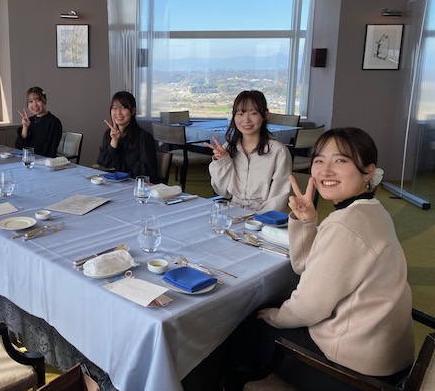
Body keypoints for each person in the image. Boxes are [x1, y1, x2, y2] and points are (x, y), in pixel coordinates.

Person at [198, 127, 414, 391]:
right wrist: (307, 222)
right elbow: (305, 267)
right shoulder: (371, 211)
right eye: (319, 160)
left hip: (355, 371)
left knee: (236, 328)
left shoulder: (345, 225)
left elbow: (309, 308)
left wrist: (274, 316)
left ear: (368, 171)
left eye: (341, 160)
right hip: (383, 355)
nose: (325, 171)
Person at [205, 90, 291, 212]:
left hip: (262, 216)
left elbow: (278, 199)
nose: (246, 120)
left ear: (265, 114)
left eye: (253, 113)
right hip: (233, 211)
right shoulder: (229, 147)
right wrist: (222, 161)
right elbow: (223, 192)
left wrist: (258, 219)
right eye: (240, 114)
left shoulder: (278, 151)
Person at [97, 91, 159, 183]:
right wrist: (114, 141)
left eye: (123, 108)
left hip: (136, 185)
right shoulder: (109, 134)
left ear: (133, 111)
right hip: (115, 183)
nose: (118, 113)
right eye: (114, 108)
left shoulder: (144, 137)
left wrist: (122, 176)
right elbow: (104, 163)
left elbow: (146, 171)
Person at [15, 86, 63, 158]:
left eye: (38, 100)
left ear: (44, 101)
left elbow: (49, 151)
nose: (34, 104)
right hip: (28, 159)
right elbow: (19, 147)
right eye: (30, 101)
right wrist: (25, 127)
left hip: (44, 161)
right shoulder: (29, 120)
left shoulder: (53, 122)